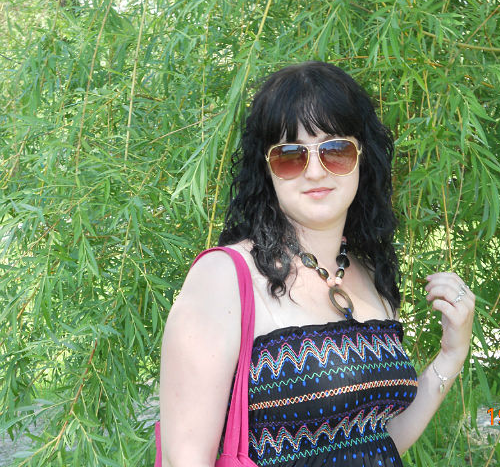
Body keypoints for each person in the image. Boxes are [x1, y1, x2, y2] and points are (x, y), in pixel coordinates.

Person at [159, 61, 475, 467]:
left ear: (362, 158)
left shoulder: (369, 274)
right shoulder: (224, 277)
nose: (314, 171)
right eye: (290, 156)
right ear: (267, 170)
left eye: (335, 151)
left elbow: (376, 442)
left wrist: (451, 354)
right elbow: (185, 458)